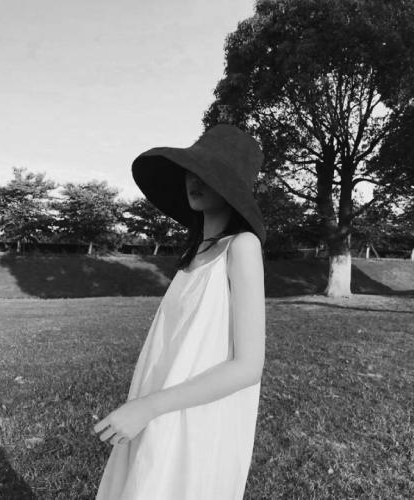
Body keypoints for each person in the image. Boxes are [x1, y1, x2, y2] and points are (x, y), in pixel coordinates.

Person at [93, 124, 267, 500]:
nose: (194, 179)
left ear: (232, 186)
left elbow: (249, 366)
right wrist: (145, 405)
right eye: (191, 169)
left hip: (195, 416)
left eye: (208, 172)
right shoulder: (196, 253)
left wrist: (149, 408)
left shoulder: (242, 246)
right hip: (159, 406)